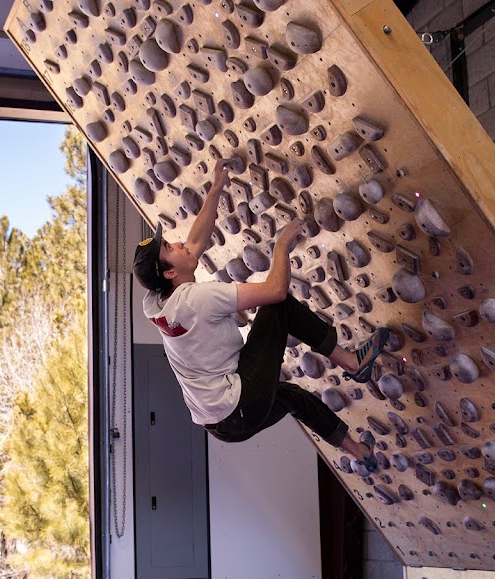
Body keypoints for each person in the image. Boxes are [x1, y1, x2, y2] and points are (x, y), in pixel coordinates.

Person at [132, 158, 389, 465]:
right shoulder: (196, 299)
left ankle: (361, 453)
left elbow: (195, 241)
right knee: (277, 307)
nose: (177, 242)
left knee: (293, 397)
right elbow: (275, 291)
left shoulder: (160, 302)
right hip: (237, 404)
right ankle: (351, 363)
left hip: (221, 423)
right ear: (171, 272)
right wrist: (281, 246)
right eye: (169, 248)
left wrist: (216, 188)